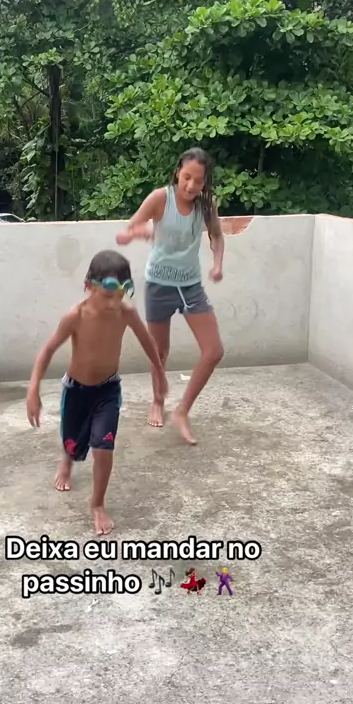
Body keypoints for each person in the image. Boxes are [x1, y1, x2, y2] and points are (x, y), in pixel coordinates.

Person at [26, 249, 168, 535]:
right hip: (76, 390)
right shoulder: (75, 316)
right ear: (89, 286)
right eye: (108, 295)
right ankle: (67, 461)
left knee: (103, 448)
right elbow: (48, 350)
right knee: (72, 442)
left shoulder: (126, 312)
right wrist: (33, 390)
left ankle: (97, 504)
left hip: (108, 390)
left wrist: (160, 374)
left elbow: (147, 342)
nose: (114, 303)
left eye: (121, 295)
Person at [116, 147, 224, 445]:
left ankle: (182, 411)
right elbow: (128, 230)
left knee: (214, 351)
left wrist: (217, 264)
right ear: (178, 172)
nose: (191, 185)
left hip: (191, 286)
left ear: (205, 182)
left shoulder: (206, 205)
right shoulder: (160, 198)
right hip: (159, 285)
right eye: (187, 177)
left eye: (198, 181)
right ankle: (157, 401)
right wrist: (137, 233)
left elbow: (217, 235)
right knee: (159, 352)